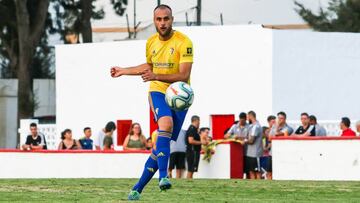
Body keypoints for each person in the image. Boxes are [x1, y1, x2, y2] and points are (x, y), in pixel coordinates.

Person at [110, 4, 194, 200]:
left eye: (166, 19)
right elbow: (149, 66)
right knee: (165, 124)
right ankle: (163, 177)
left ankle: (137, 188)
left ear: (172, 19)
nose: (162, 23)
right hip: (157, 91)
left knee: (159, 148)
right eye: (159, 19)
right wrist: (124, 70)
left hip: (179, 96)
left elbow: (184, 74)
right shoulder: (151, 42)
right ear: (154, 21)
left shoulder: (184, 42)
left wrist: (155, 73)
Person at [244, 111, 263, 179]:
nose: (247, 118)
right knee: (251, 171)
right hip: (250, 153)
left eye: (247, 116)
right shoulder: (251, 126)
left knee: (257, 172)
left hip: (255, 154)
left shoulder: (256, 126)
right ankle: (253, 187)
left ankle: (259, 187)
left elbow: (251, 140)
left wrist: (244, 141)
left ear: (250, 116)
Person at [263, 115, 275, 180]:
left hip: (273, 152)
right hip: (268, 154)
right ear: (269, 122)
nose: (274, 123)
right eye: (272, 122)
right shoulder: (267, 131)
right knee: (268, 171)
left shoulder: (275, 130)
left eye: (274, 122)